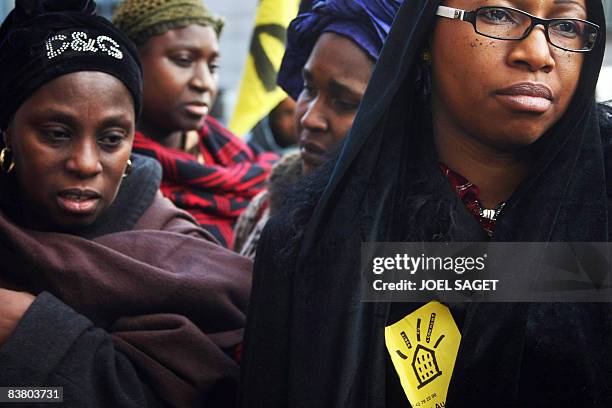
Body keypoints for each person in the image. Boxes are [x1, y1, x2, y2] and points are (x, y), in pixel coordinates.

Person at [241, 0, 612, 406]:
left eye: (566, 26)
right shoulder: (310, 242)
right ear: (424, 37)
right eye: (497, 15)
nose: (538, 53)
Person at [0, 0, 250, 406]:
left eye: (111, 139)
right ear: (8, 133)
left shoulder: (178, 256)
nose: (85, 163)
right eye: (56, 133)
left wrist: (29, 328)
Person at [233, 0, 402, 257]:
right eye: (308, 89)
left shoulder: (437, 244)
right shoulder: (264, 208)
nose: (309, 119)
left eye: (344, 103)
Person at [112, 0, 278, 248]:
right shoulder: (112, 173)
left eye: (212, 67)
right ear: (133, 64)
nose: (204, 82)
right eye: (183, 60)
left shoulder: (239, 155)